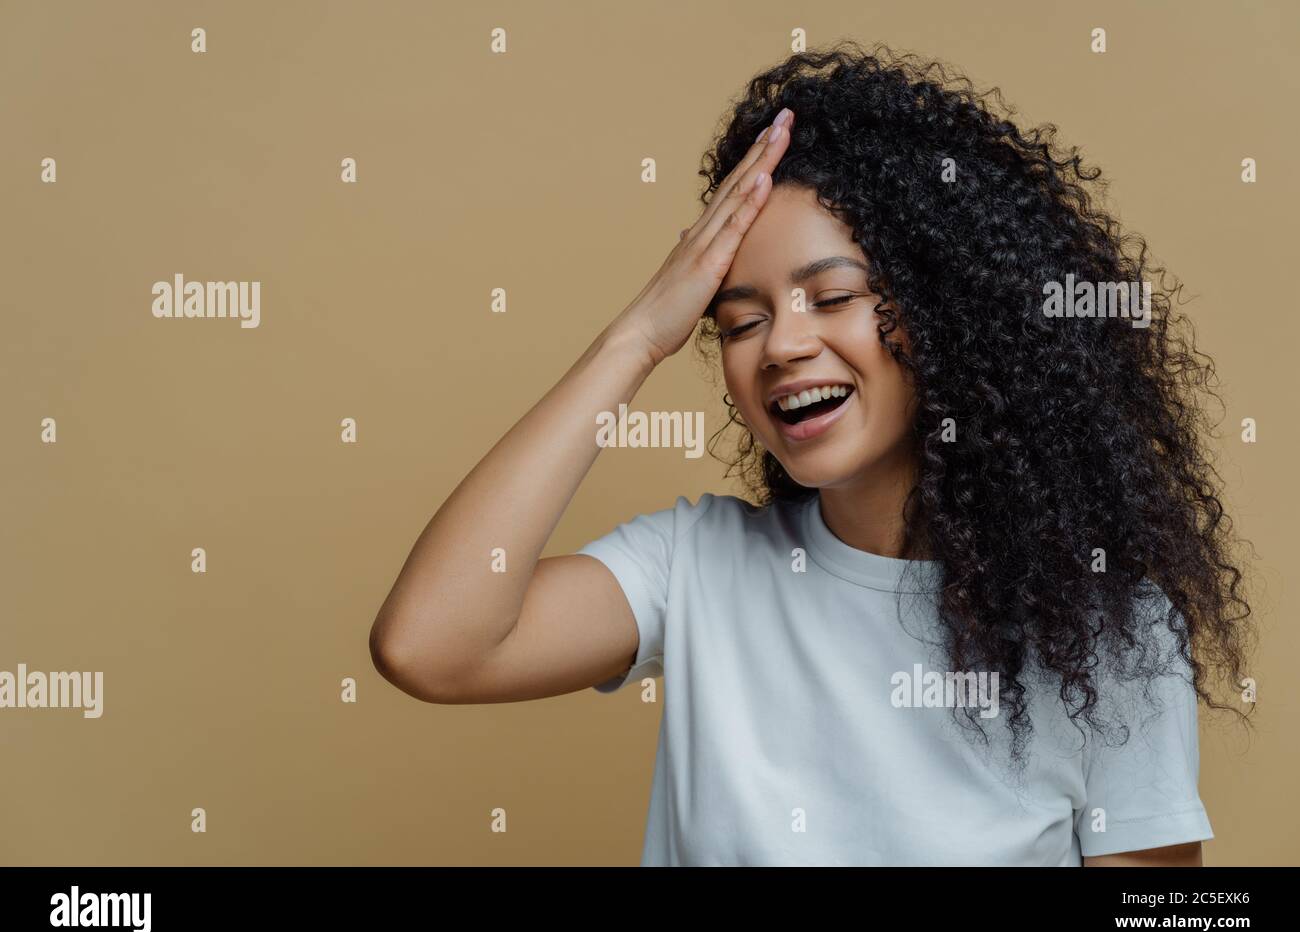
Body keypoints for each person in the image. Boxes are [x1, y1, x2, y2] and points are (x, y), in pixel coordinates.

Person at [368, 41, 1254, 866]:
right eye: (741, 320)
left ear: (949, 316)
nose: (782, 346)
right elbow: (428, 647)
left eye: (830, 297)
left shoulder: (1106, 634)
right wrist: (635, 340)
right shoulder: (695, 569)